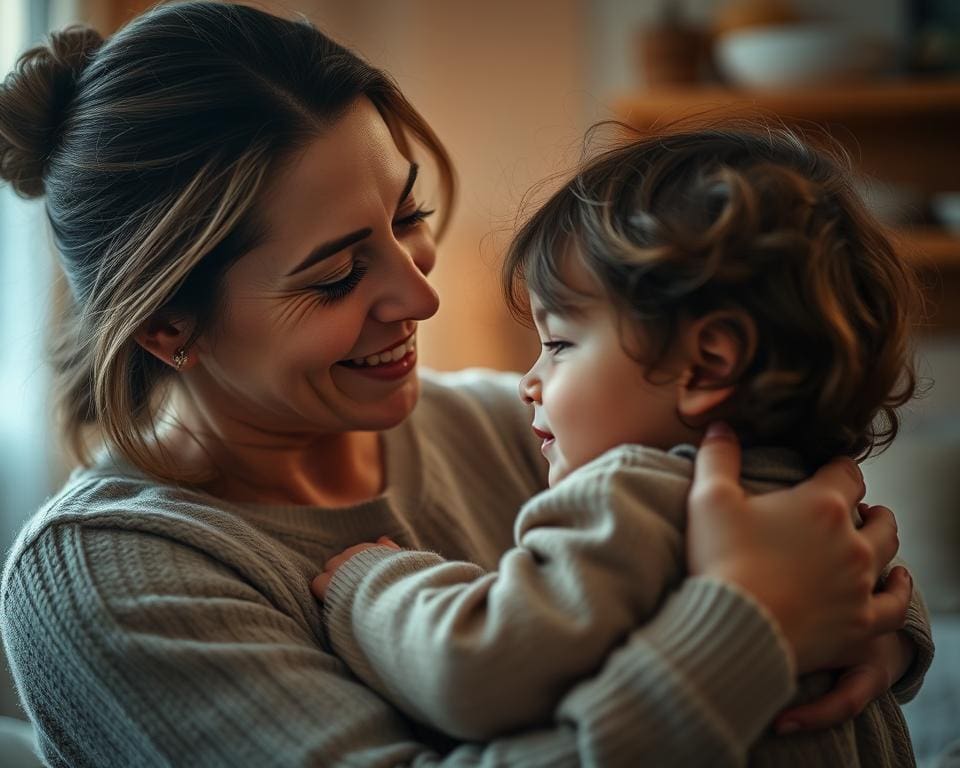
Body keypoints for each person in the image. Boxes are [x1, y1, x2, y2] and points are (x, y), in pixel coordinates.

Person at [0, 3, 922, 766]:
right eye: (334, 275)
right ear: (168, 325)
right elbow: (750, 592)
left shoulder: (514, 424)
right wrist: (753, 634)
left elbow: (804, 517)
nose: (420, 293)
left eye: (409, 216)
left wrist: (877, 625)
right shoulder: (104, 576)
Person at [313, 127, 932, 766]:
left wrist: (375, 585)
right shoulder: (808, 503)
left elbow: (479, 670)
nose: (528, 383)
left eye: (558, 346)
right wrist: (898, 635)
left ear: (706, 365)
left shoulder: (627, 497)